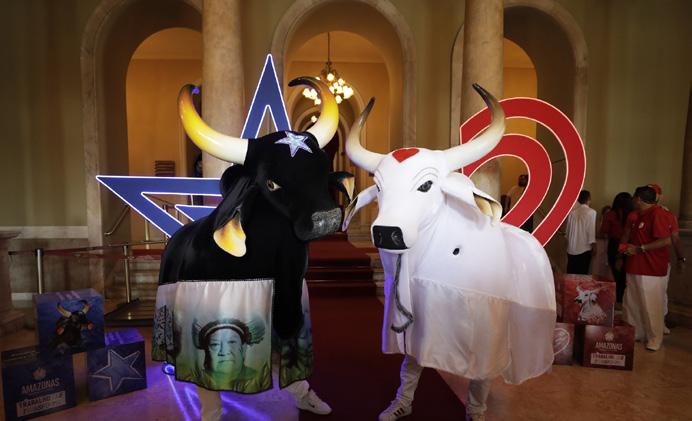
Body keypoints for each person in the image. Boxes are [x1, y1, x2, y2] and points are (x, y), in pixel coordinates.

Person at [620, 186, 672, 351]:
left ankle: (655, 338)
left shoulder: (658, 214)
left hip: (651, 268)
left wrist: (640, 248)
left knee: (651, 305)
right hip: (635, 265)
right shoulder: (638, 215)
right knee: (633, 303)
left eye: (634, 197)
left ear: (639, 199)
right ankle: (637, 333)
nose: (632, 200)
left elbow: (666, 240)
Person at [600, 193, 634, 302]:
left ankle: (619, 299)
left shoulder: (610, 214)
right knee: (628, 275)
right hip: (631, 245)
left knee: (617, 275)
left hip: (614, 245)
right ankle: (627, 300)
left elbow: (604, 230)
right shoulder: (634, 214)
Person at [566, 190, 597, 274]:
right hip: (584, 249)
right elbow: (591, 232)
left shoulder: (572, 213)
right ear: (589, 199)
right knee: (582, 275)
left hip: (571, 249)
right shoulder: (592, 212)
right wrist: (594, 246)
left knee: (571, 274)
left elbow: (567, 232)